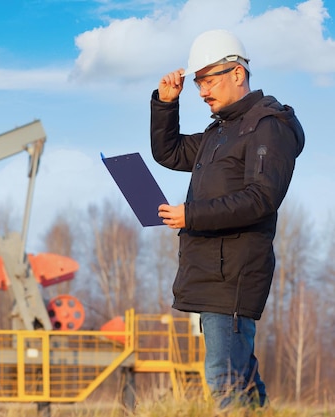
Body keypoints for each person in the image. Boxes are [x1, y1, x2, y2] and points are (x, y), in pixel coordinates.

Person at [150, 29, 304, 408]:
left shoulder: (268, 126)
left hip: (234, 274)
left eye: (208, 80)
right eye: (198, 83)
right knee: (242, 378)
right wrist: (166, 104)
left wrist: (191, 214)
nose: (201, 91)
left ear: (237, 73)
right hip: (210, 271)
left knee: (224, 380)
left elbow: (262, 198)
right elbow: (168, 153)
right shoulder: (219, 132)